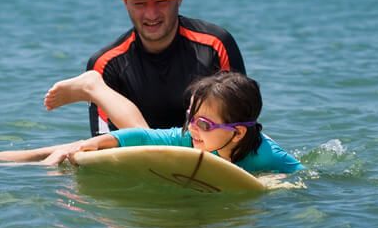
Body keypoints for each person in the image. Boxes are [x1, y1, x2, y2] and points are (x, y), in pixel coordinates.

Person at [85, 0, 246, 135]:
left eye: (161, 2)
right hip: (135, 155)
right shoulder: (105, 64)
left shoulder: (216, 45)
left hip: (205, 148)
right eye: (139, 4)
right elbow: (102, 143)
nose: (151, 14)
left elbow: (241, 125)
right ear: (126, 4)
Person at [43, 70, 304, 175]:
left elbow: (304, 178)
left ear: (236, 133)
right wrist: (95, 143)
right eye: (190, 117)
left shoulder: (267, 156)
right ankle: (1, 159)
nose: (192, 128)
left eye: (203, 124)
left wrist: (273, 185)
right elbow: (142, 137)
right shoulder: (189, 138)